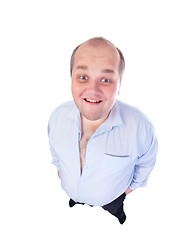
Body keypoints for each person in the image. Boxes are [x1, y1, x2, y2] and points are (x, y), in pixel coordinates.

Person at [48, 37, 158, 224]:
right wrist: (62, 172)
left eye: (106, 79)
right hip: (72, 189)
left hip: (112, 198)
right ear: (72, 80)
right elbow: (55, 150)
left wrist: (125, 191)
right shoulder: (57, 116)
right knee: (76, 197)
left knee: (115, 208)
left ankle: (116, 211)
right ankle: (77, 198)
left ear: (119, 86)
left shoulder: (141, 128)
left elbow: (145, 164)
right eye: (83, 77)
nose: (93, 89)